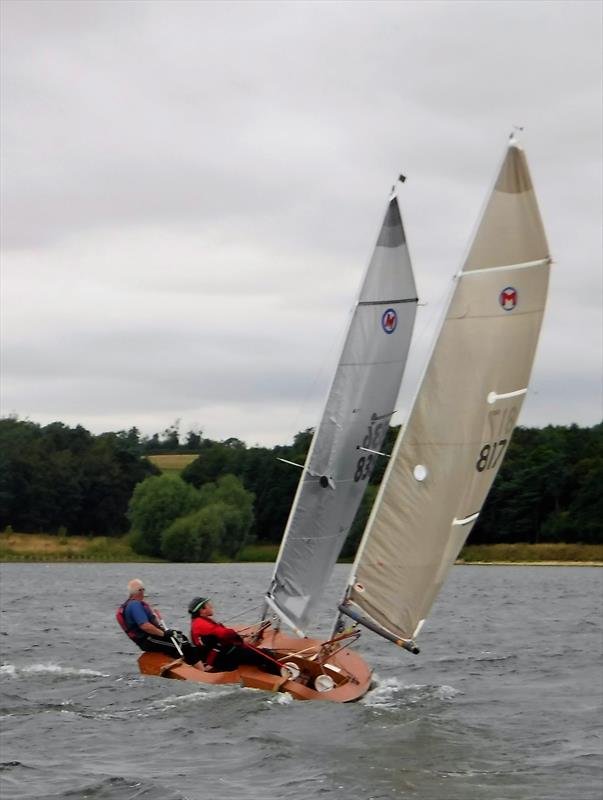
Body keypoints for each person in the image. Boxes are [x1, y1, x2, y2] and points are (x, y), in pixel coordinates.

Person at [117, 579, 204, 666]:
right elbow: (145, 626)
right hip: (148, 640)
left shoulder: (131, 604)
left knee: (181, 637)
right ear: (141, 591)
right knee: (182, 644)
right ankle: (199, 670)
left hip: (151, 638)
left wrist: (166, 632)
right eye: (143, 589)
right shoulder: (135, 605)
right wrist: (164, 634)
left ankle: (194, 662)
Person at [188, 596, 282, 676]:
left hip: (221, 655)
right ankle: (278, 678)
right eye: (209, 605)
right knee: (268, 654)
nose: (211, 607)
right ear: (202, 610)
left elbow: (217, 636)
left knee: (259, 653)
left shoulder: (197, 622)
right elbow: (225, 634)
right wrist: (236, 636)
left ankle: (266, 674)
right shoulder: (200, 624)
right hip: (224, 658)